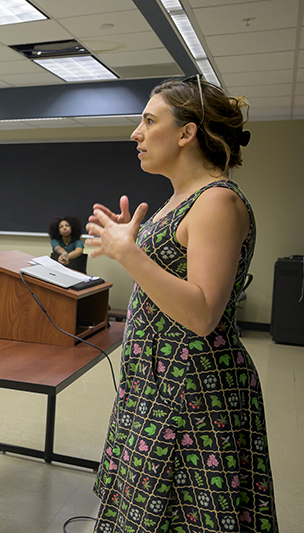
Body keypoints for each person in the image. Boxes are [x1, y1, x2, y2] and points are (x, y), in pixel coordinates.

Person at [86, 76, 277, 532]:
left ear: (187, 133)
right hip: (155, 386)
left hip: (192, 395)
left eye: (150, 121)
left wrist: (129, 254)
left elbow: (202, 313)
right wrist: (130, 245)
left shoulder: (217, 202)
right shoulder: (179, 200)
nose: (136, 133)